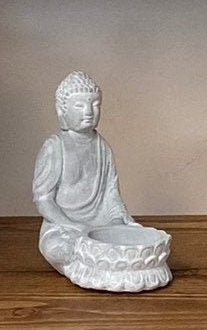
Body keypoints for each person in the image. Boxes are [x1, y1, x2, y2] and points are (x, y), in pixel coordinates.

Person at [32, 71, 173, 292]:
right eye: (79, 106)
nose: (89, 112)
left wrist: (122, 220)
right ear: (62, 110)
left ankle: (108, 264)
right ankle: (118, 267)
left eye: (95, 105)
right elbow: (43, 200)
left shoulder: (102, 147)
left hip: (101, 223)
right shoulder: (55, 147)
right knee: (58, 249)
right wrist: (73, 226)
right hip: (65, 227)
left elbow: (110, 193)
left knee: (130, 240)